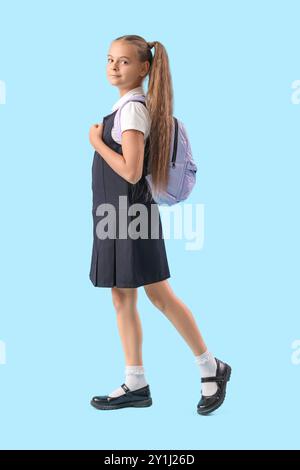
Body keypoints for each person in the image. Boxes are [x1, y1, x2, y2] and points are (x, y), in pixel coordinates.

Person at [88, 35, 231, 415]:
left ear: (145, 68)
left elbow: (132, 172)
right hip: (115, 217)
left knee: (159, 295)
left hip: (131, 216)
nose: (114, 67)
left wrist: (96, 143)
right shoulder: (123, 109)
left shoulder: (132, 111)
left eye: (124, 61)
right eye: (110, 60)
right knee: (122, 296)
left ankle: (210, 367)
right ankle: (136, 382)